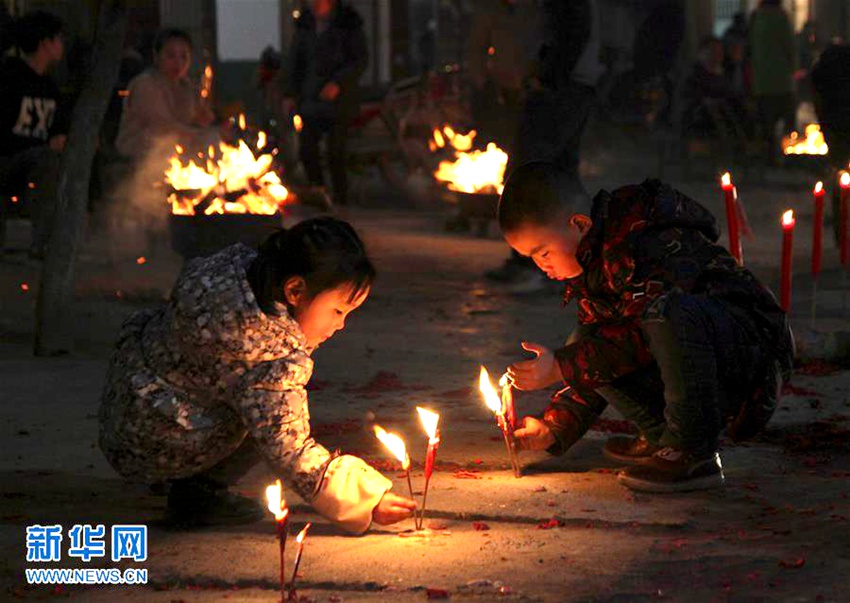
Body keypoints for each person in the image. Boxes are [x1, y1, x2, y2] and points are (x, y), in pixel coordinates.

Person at [99, 217, 417, 531]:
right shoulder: (269, 356)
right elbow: (289, 447)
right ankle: (198, 492)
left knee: (259, 402)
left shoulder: (230, 270)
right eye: (337, 311)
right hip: (157, 442)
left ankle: (178, 473)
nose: (340, 325)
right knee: (271, 417)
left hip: (126, 407)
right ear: (295, 290)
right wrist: (369, 500)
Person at [498, 162, 794, 492]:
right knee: (588, 339)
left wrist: (561, 367)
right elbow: (602, 350)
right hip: (698, 361)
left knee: (660, 314)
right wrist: (556, 426)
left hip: (750, 357)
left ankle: (693, 452)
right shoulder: (595, 263)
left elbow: (641, 335)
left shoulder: (647, 241)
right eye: (532, 258)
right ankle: (664, 439)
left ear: (579, 225)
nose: (543, 267)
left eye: (543, 253)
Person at [485, 0, 603, 294]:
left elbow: (571, 30)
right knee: (557, 170)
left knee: (529, 173)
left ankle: (533, 261)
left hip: (559, 87)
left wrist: (547, 76)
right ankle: (576, 259)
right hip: (569, 83)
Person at [284, 0, 368, 206]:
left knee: (336, 151)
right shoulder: (305, 25)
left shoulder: (348, 23)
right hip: (311, 99)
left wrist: (338, 83)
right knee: (307, 148)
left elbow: (359, 60)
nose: (315, 4)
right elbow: (295, 62)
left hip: (339, 102)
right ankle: (318, 192)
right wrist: (290, 94)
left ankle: (341, 198)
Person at [0, 10, 67, 258]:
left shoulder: (50, 87)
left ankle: (47, 242)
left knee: (52, 162)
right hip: (10, 159)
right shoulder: (9, 79)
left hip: (38, 161)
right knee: (47, 160)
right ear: (45, 43)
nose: (62, 45)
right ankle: (43, 245)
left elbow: (58, 125)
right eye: (59, 39)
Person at [114, 28, 214, 160]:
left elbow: (198, 119)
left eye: (184, 56)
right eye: (171, 56)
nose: (178, 63)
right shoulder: (145, 84)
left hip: (177, 157)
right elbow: (161, 126)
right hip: (138, 159)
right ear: (157, 56)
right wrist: (199, 134)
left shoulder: (188, 88)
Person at [811, 42, 850, 245]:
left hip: (834, 127)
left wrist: (824, 123)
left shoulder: (827, 64)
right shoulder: (835, 62)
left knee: (840, 179)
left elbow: (817, 96)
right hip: (836, 125)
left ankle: (841, 236)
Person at [748, 0, 797, 164]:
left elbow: (750, 46)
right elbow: (790, 46)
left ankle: (769, 156)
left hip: (762, 80)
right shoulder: (781, 17)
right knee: (786, 121)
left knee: (767, 124)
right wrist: (793, 68)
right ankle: (788, 155)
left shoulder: (756, 17)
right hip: (781, 79)